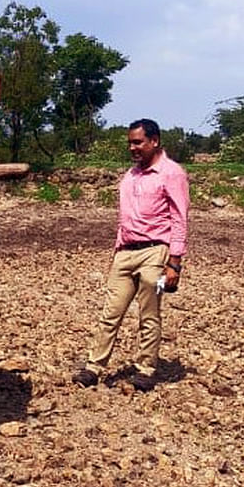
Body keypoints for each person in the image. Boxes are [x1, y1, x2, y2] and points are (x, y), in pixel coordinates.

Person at [73, 118, 190, 392]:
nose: (133, 148)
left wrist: (175, 264)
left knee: (150, 313)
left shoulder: (172, 173)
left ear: (155, 141)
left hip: (156, 252)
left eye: (138, 142)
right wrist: (116, 252)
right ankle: (93, 366)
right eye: (130, 143)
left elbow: (180, 219)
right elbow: (124, 219)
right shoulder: (131, 175)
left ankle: (146, 369)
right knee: (110, 312)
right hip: (126, 253)